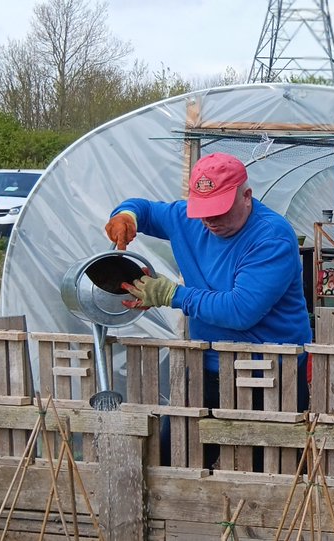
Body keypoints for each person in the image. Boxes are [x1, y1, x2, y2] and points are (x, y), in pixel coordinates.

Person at [104, 151, 313, 467]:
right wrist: (126, 216)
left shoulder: (270, 236)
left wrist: (171, 294)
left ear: (246, 196)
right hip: (208, 366)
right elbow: (145, 210)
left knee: (266, 472)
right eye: (203, 210)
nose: (210, 220)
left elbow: (240, 310)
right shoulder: (187, 218)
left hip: (270, 373)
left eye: (220, 209)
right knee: (172, 458)